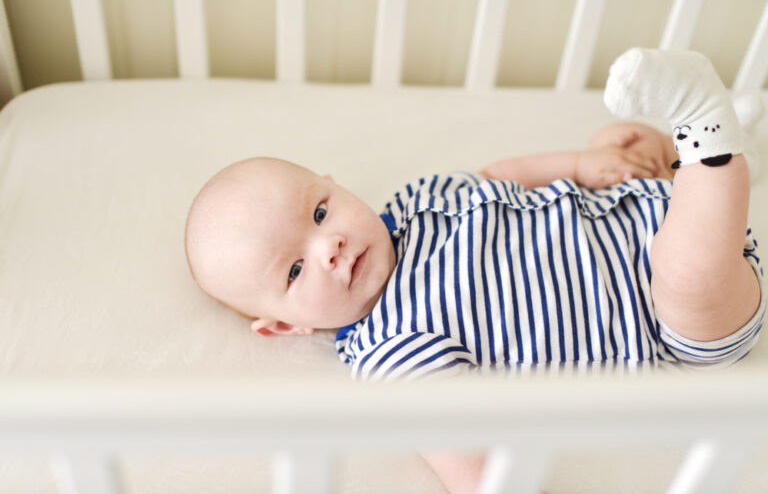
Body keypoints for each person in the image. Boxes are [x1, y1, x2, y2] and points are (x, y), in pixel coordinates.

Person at [185, 49, 765, 494]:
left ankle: (697, 153)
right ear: (284, 326)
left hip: (635, 206)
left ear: (335, 184)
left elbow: (499, 175)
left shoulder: (416, 201)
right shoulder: (392, 350)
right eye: (293, 270)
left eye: (318, 212)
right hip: (670, 319)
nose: (329, 245)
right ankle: (707, 127)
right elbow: (467, 461)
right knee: (687, 271)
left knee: (622, 142)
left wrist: (582, 164)